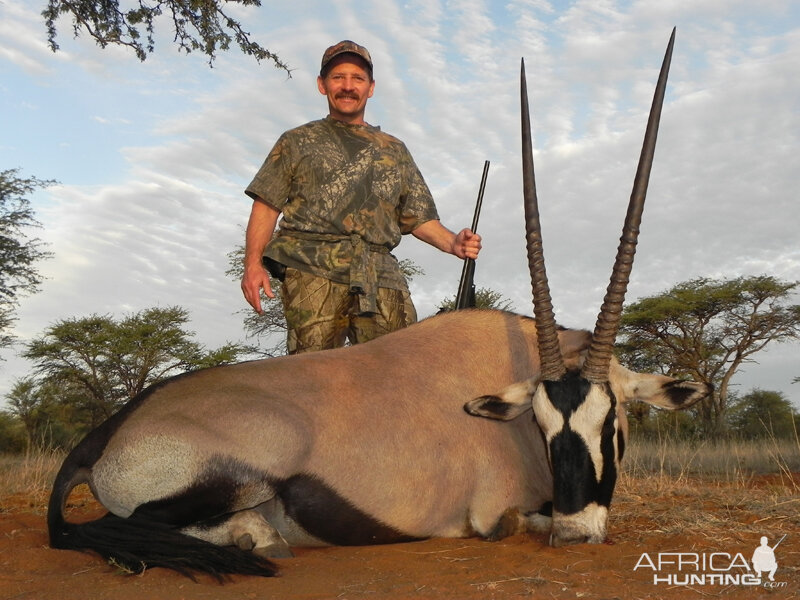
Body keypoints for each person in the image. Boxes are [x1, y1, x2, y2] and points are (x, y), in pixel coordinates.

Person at [241, 40, 481, 354]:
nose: (348, 86)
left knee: (399, 369)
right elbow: (266, 205)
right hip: (312, 269)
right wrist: (252, 265)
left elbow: (417, 216)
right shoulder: (296, 140)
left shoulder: (393, 149)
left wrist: (453, 243)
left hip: (380, 274)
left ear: (370, 88)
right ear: (322, 85)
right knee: (313, 375)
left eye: (358, 78)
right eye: (338, 77)